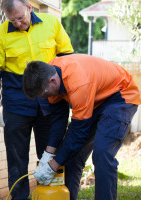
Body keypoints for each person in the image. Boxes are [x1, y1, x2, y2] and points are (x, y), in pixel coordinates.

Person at [0, 0, 73, 199]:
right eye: (12, 20)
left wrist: (68, 95)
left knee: (50, 155)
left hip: (50, 102)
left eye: (20, 18)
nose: (17, 23)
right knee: (16, 161)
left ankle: (51, 196)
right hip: (17, 103)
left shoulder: (52, 24)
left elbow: (68, 58)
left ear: (29, 8)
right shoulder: (0, 35)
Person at [22, 54, 141, 200]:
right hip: (95, 99)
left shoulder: (78, 82)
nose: (44, 98)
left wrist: (53, 165)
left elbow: (79, 132)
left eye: (44, 94)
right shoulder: (50, 75)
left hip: (120, 96)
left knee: (102, 153)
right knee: (72, 157)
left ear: (52, 81)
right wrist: (48, 154)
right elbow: (58, 120)